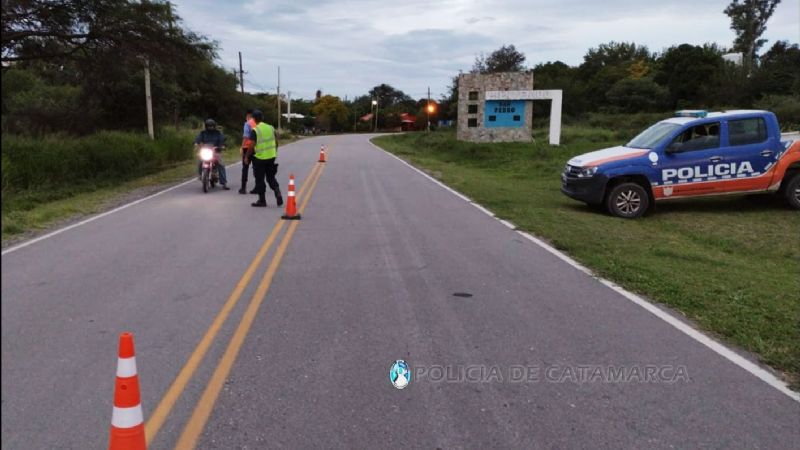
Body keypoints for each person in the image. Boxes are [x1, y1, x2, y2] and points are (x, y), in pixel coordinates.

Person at [245, 110, 283, 207]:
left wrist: (247, 156)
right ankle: (277, 191)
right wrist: (275, 152)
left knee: (260, 179)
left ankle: (262, 201)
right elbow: (276, 142)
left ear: (253, 119)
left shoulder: (255, 130)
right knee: (271, 177)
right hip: (271, 157)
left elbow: (252, 146)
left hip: (260, 158)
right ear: (262, 118)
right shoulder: (270, 128)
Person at [194, 118, 230, 190]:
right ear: (206, 126)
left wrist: (222, 146)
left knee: (221, 164)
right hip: (206, 151)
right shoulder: (203, 133)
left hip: (216, 151)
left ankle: (224, 183)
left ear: (214, 126)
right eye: (209, 126)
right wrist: (196, 143)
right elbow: (198, 138)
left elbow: (222, 139)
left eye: (212, 126)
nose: (210, 127)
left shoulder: (218, 133)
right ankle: (201, 175)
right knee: (200, 161)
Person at [239, 110, 258, 194]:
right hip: (257, 148)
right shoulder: (259, 123)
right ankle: (257, 187)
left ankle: (243, 188)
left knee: (245, 168)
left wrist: (242, 147)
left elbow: (246, 136)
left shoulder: (247, 123)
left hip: (247, 148)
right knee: (256, 168)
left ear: (248, 116)